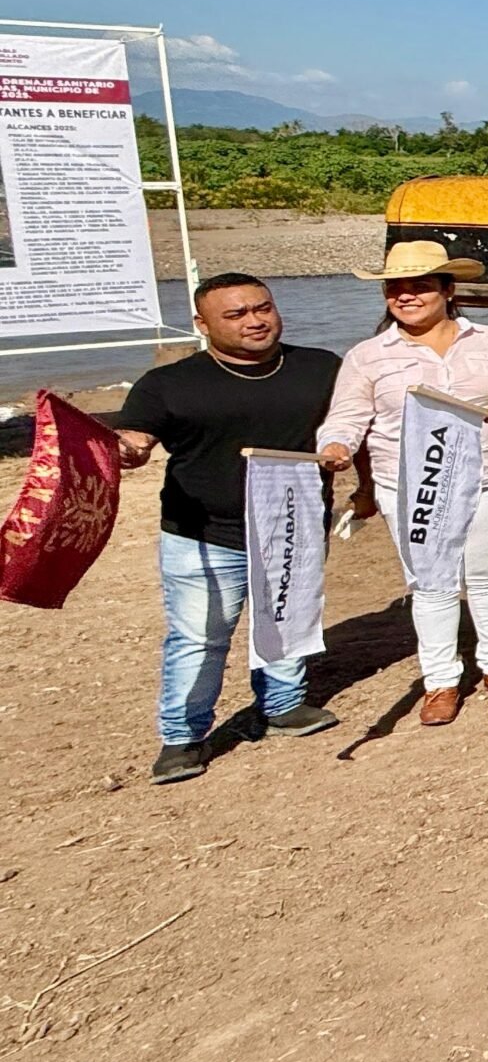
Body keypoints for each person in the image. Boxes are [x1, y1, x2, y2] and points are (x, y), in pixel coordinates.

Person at [117, 274, 343, 783]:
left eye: (263, 308)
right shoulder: (167, 383)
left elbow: (350, 428)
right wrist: (125, 451)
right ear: (202, 324)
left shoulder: (321, 367)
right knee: (199, 637)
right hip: (201, 533)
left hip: (293, 523)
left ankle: (283, 704)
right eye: (236, 314)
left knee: (287, 617)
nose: (255, 321)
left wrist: (363, 484)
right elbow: (134, 441)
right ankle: (182, 737)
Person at [317, 243, 488, 726]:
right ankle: (441, 680)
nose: (406, 296)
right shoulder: (368, 355)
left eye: (421, 286)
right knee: (432, 584)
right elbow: (347, 416)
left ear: (448, 291)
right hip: (412, 485)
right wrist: (337, 445)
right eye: (396, 288)